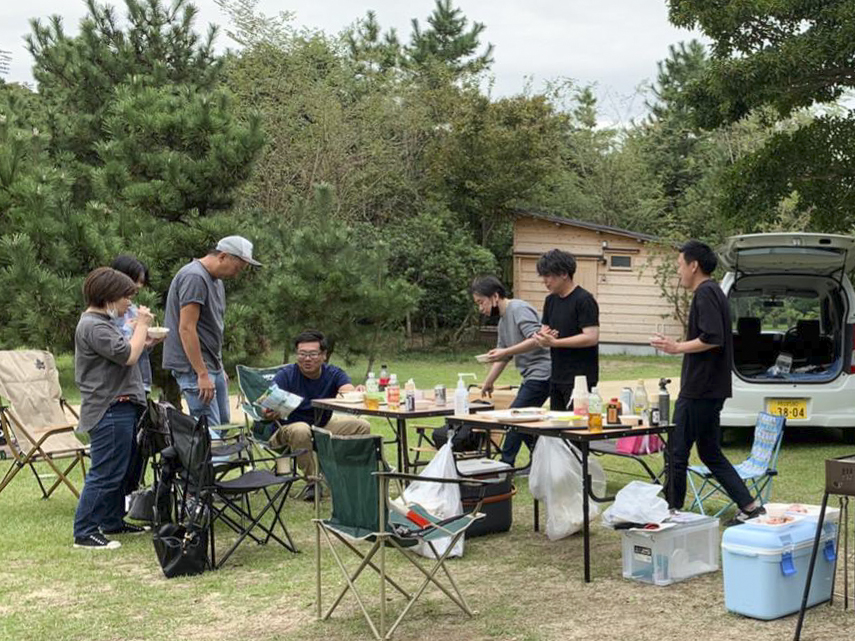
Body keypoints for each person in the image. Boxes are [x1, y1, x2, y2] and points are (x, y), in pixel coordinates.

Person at [650, 240, 764, 524]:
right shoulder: (713, 293)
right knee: (710, 452)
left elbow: (712, 338)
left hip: (700, 389)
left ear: (693, 265)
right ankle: (750, 506)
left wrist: (676, 347)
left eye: (679, 265)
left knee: (677, 451)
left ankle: (671, 511)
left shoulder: (705, 293)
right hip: (711, 388)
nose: (678, 271)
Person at [73, 267, 153, 549]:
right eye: (126, 297)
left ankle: (111, 520)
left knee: (121, 470)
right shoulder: (94, 325)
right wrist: (142, 325)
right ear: (109, 297)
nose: (129, 303)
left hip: (121, 406)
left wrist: (141, 337)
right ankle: (84, 531)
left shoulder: (102, 324)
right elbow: (128, 356)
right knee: (105, 471)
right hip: (109, 409)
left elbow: (124, 350)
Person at [162, 236, 260, 428]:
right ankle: (207, 459)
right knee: (210, 431)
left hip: (212, 364)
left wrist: (218, 366)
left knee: (223, 424)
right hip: (194, 369)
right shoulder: (195, 277)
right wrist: (202, 373)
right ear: (223, 256)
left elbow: (211, 328)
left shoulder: (216, 281)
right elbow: (186, 328)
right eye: (237, 267)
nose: (236, 274)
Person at [264, 330, 370, 501]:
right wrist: (269, 412)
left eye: (312, 354)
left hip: (320, 426)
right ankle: (312, 482)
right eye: (302, 354)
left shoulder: (333, 373)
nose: (307, 358)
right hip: (285, 430)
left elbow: (347, 391)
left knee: (361, 425)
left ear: (323, 355)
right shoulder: (285, 375)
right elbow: (267, 407)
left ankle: (348, 474)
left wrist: (356, 392)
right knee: (301, 429)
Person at [472, 275, 551, 466]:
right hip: (530, 375)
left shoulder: (519, 309)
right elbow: (503, 356)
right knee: (522, 420)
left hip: (544, 372)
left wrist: (505, 351)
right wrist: (488, 382)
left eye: (481, 302)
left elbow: (537, 339)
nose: (480, 308)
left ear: (495, 296)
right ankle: (543, 460)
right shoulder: (502, 321)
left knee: (514, 417)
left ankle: (505, 465)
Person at [532, 249, 600, 411]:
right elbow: (545, 330)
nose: (545, 281)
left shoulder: (584, 300)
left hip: (580, 379)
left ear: (564, 274)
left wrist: (556, 342)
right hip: (556, 376)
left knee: (576, 428)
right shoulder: (550, 300)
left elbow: (591, 337)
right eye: (543, 276)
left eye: (548, 276)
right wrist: (543, 338)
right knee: (557, 429)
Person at [110, 255, 159, 394]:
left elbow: (137, 348)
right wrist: (136, 327)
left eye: (141, 281)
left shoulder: (131, 308)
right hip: (120, 387)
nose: (138, 285)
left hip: (140, 382)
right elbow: (119, 349)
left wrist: (149, 341)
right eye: (135, 280)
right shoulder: (108, 311)